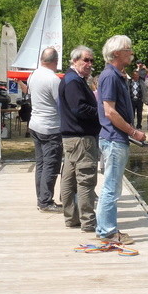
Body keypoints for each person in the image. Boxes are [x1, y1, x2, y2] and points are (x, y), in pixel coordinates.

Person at [95, 35, 145, 245]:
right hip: (114, 139)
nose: (131, 52)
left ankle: (107, 229)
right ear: (117, 53)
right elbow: (110, 112)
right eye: (128, 49)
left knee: (113, 188)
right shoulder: (110, 76)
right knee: (111, 188)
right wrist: (134, 132)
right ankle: (107, 233)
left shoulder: (117, 75)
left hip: (116, 139)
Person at [59, 46, 101, 232]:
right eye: (86, 60)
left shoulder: (73, 79)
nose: (89, 64)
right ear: (75, 60)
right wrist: (102, 113)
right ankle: (88, 222)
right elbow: (79, 109)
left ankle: (71, 218)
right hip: (81, 138)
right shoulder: (73, 81)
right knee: (85, 180)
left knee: (68, 178)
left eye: (91, 61)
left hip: (72, 138)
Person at [27, 47, 63, 213]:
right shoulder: (53, 80)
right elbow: (61, 104)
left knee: (40, 164)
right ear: (55, 61)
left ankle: (40, 198)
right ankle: (46, 202)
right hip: (50, 128)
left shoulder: (33, 75)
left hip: (35, 124)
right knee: (51, 165)